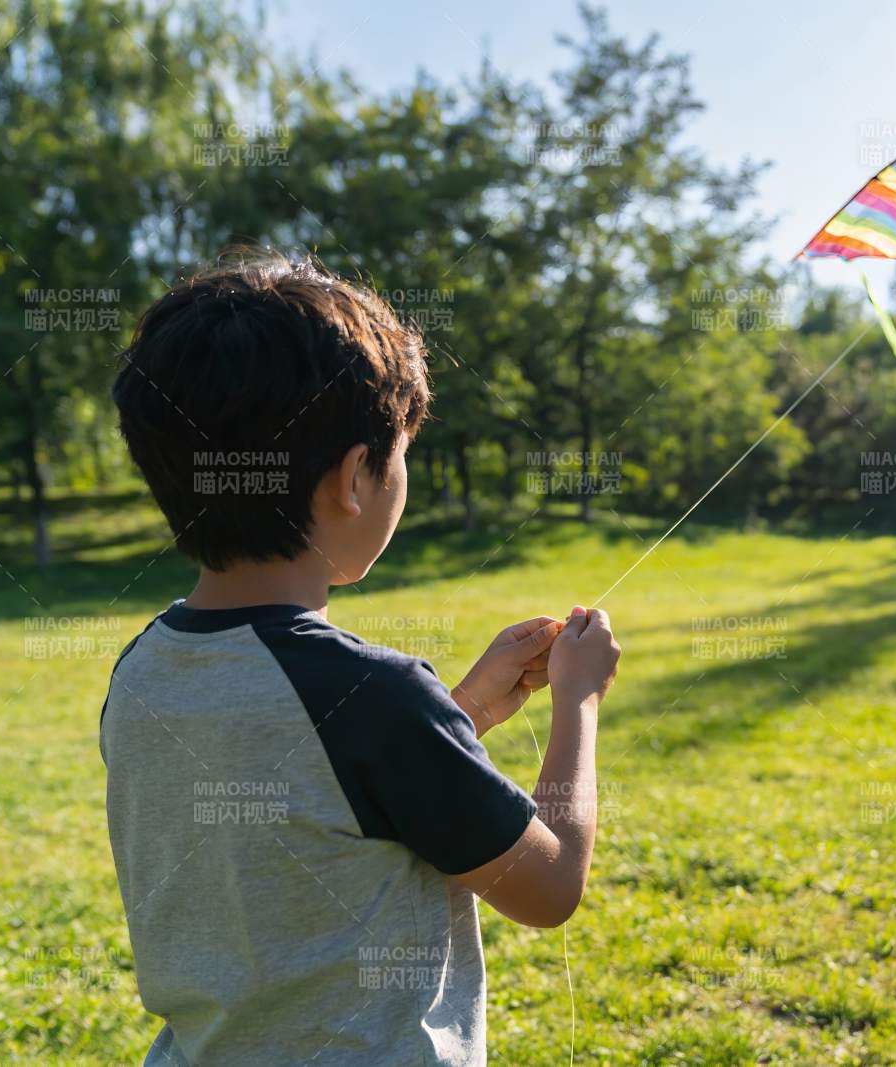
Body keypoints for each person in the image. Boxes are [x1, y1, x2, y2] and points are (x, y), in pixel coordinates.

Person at [101, 248, 618, 1065]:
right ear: (352, 478)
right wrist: (576, 701)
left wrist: (466, 710)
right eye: (400, 453)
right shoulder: (372, 695)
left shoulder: (141, 669)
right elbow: (550, 888)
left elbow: (331, 790)